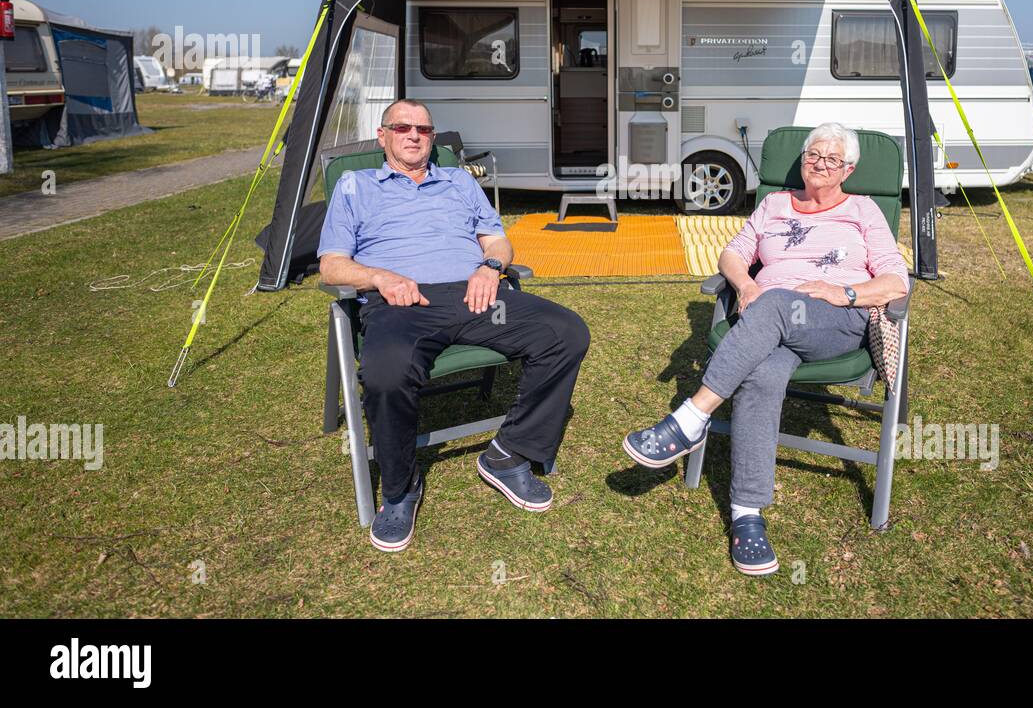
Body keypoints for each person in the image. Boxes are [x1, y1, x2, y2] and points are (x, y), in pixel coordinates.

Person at [622, 122, 909, 575]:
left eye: (832, 159)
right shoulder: (775, 204)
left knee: (776, 305)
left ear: (848, 169)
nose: (820, 164)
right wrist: (745, 283)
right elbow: (732, 254)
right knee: (763, 371)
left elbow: (896, 280)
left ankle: (691, 417)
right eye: (814, 155)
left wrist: (847, 294)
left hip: (831, 323)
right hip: (770, 322)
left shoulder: (865, 210)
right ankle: (747, 514)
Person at [318, 99, 590, 552]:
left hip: (475, 297)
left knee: (565, 332)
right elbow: (331, 266)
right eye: (402, 127)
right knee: (387, 372)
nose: (413, 136)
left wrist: (489, 267)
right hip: (402, 304)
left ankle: (509, 453)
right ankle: (401, 490)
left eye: (424, 129)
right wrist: (379, 278)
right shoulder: (355, 186)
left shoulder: (459, 181)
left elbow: (498, 241)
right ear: (382, 135)